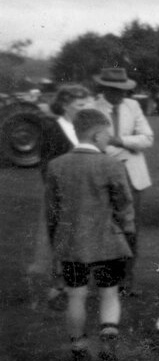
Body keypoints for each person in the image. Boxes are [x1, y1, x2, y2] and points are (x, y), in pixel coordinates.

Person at [45, 109, 135, 361]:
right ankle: (108, 344)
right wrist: (127, 232)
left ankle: (79, 350)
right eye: (107, 133)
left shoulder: (56, 165)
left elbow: (52, 212)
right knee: (109, 293)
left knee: (76, 295)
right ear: (96, 134)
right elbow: (124, 205)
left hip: (71, 243)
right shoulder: (112, 164)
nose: (109, 139)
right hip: (107, 241)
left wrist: (55, 242)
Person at [28, 84, 95, 308]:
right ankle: (58, 287)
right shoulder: (53, 127)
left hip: (86, 194)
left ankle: (76, 285)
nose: (84, 109)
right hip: (60, 194)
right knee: (59, 237)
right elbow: (46, 164)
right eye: (79, 105)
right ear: (65, 105)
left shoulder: (86, 129)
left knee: (81, 239)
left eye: (86, 104)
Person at [91, 67, 153, 295]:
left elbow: (147, 138)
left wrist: (119, 141)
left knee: (131, 229)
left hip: (131, 176)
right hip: (101, 174)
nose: (119, 94)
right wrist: (114, 151)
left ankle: (126, 280)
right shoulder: (91, 108)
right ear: (104, 88)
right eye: (114, 89)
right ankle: (106, 280)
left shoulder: (133, 106)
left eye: (122, 89)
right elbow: (89, 142)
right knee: (103, 227)